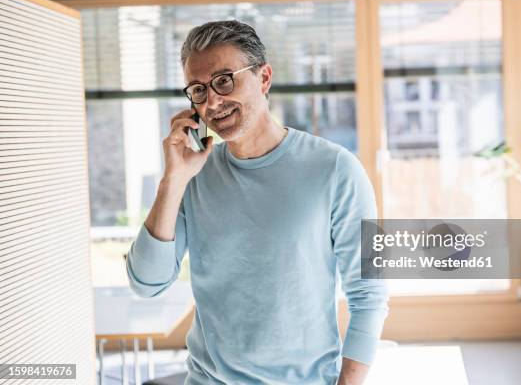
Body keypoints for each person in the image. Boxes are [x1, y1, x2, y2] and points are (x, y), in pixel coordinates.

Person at [126, 19, 389, 385]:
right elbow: (146, 284)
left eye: (224, 80)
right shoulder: (192, 173)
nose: (213, 101)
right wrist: (173, 179)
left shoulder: (336, 169)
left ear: (264, 78)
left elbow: (370, 293)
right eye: (198, 90)